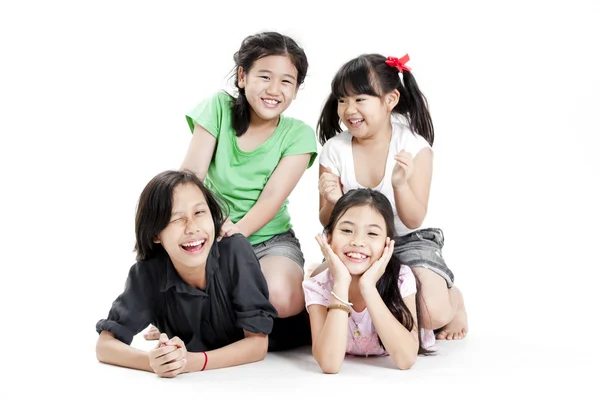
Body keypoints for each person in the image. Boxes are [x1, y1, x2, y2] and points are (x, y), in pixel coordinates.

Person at [146, 31, 316, 349]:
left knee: (279, 296)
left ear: (296, 89)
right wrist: (210, 224)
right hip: (209, 235)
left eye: (286, 82)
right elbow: (191, 176)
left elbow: (270, 201)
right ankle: (229, 325)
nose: (274, 90)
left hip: (269, 241)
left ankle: (216, 321)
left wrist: (234, 235)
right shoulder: (218, 108)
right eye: (264, 76)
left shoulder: (298, 135)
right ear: (242, 76)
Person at [314, 53, 467, 340]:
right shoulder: (334, 149)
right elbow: (327, 221)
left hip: (407, 239)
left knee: (429, 312)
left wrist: (400, 185)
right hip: (356, 243)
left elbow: (413, 218)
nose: (349, 109)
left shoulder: (413, 146)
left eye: (360, 99)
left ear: (390, 100)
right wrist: (333, 203)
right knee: (314, 296)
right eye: (342, 100)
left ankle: (454, 300)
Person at [95, 170, 278, 378]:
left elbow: (258, 344)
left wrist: (191, 362)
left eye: (199, 213)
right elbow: (105, 345)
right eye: (176, 219)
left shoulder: (235, 250)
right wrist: (155, 362)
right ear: (156, 234)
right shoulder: (148, 273)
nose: (192, 228)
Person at [303, 188, 435, 373]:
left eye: (372, 234)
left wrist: (368, 287)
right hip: (330, 278)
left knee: (437, 314)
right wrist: (341, 283)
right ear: (329, 238)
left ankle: (456, 301)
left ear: (387, 244)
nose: (358, 241)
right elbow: (329, 364)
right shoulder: (317, 286)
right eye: (347, 230)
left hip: (426, 316)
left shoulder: (401, 277)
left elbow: (406, 360)